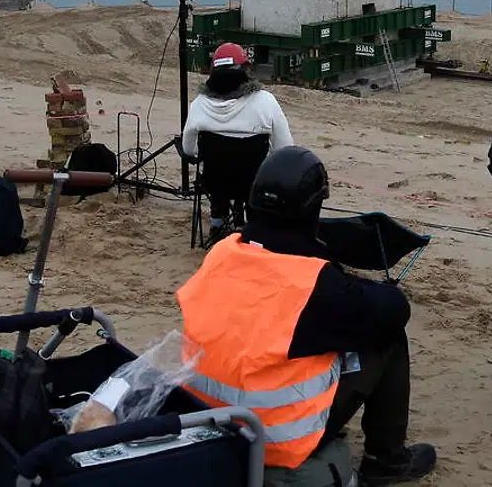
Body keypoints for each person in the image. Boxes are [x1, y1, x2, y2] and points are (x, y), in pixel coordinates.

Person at [176, 146, 437, 486]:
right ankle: (385, 459)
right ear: (315, 208)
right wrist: (344, 275)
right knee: (386, 336)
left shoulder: (222, 253)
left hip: (204, 422)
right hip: (273, 440)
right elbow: (395, 308)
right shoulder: (317, 284)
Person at [181, 42, 294, 242]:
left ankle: (218, 225)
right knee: (255, 176)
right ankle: (253, 228)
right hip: (254, 183)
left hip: (215, 182)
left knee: (217, 175)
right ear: (246, 70)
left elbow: (188, 149)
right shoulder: (265, 101)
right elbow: (285, 149)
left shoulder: (199, 104)